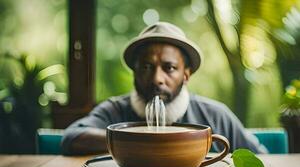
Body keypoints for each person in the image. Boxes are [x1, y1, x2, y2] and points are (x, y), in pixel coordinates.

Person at [61, 22, 268, 155]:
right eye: (146, 67)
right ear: (135, 71)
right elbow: (72, 138)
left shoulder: (216, 115)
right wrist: (142, 140)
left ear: (186, 74)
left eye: (169, 68)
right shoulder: (114, 110)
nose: (156, 79)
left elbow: (260, 158)